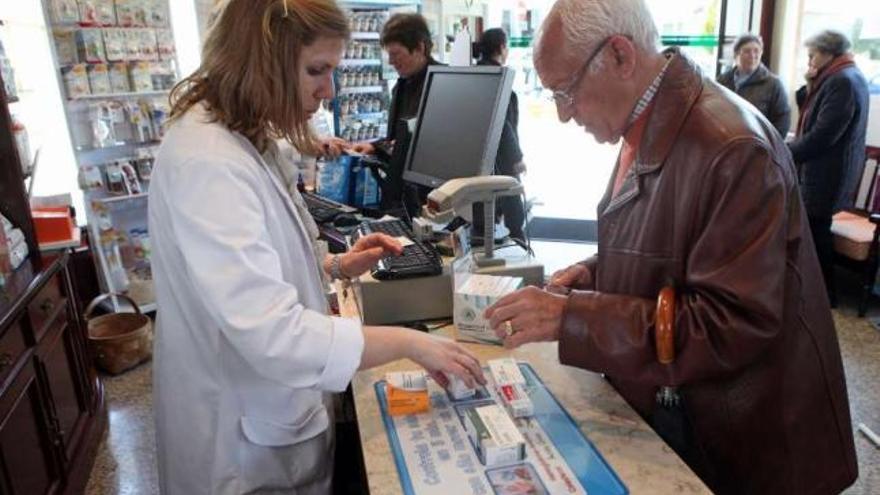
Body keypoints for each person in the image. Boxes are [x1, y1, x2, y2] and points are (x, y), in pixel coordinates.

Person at [484, 1, 857, 493]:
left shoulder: (730, 146)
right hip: (693, 411)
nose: (562, 113)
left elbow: (731, 325)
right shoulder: (652, 116)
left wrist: (571, 318)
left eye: (566, 91)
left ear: (620, 56)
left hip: (744, 444)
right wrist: (602, 271)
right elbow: (687, 246)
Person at [148, 1, 484, 493]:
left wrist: (338, 263)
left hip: (273, 417)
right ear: (260, 61)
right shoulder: (208, 163)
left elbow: (263, 262)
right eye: (316, 71)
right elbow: (272, 333)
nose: (327, 91)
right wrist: (412, 343)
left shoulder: (246, 137)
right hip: (241, 446)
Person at [788, 30, 870, 303]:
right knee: (815, 229)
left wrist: (783, 151)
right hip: (828, 172)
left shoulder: (842, 81)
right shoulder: (842, 75)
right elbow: (810, 115)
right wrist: (809, 83)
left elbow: (823, 135)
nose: (809, 61)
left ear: (826, 53)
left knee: (816, 232)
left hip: (827, 174)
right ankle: (819, 291)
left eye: (812, 55)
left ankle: (824, 294)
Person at [349, 13, 441, 208]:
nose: (391, 62)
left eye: (396, 54)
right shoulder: (401, 86)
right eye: (389, 55)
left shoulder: (443, 84)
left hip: (431, 198)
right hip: (400, 195)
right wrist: (375, 147)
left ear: (419, 47)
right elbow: (398, 139)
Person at [473, 28, 527, 241]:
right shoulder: (498, 79)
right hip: (500, 155)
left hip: (475, 156)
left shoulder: (474, 75)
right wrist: (516, 157)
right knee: (512, 207)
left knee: (483, 209)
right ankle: (518, 244)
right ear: (502, 48)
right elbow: (504, 124)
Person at [717, 33, 791, 137]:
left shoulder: (773, 84)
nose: (752, 55)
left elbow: (782, 121)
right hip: (726, 141)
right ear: (736, 54)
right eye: (747, 51)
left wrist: (769, 146)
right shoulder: (722, 81)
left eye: (757, 51)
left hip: (757, 145)